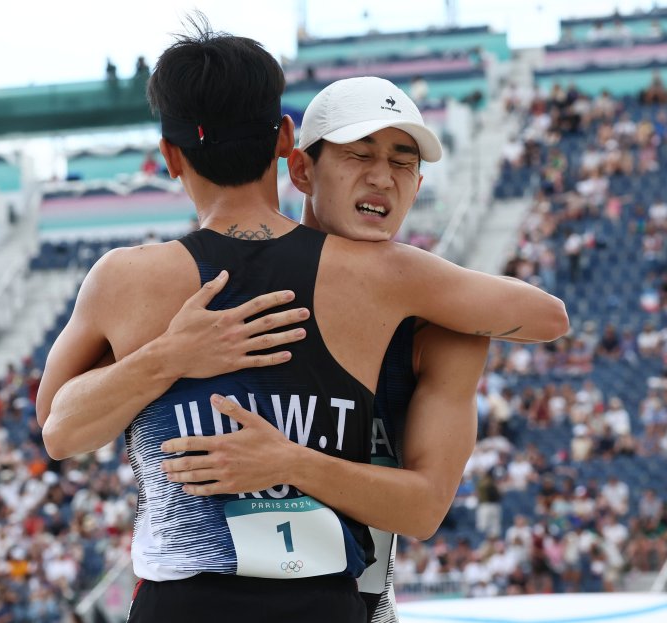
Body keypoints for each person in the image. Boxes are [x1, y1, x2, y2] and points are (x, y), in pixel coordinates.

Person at [37, 21, 568, 623]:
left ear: (169, 154)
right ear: (290, 149)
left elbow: (56, 429)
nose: (380, 177)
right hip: (325, 602)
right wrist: (169, 357)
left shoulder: (127, 279)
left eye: (402, 162)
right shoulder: (392, 277)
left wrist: (279, 453)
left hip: (183, 601)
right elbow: (545, 315)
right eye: (360, 155)